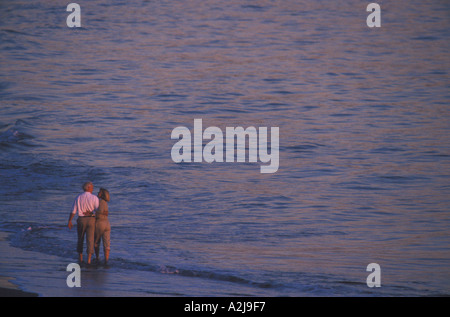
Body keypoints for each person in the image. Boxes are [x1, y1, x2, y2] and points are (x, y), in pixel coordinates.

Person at [68, 181, 99, 264]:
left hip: (81, 219)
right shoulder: (94, 197)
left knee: (80, 238)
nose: (93, 188)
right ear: (88, 188)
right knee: (90, 240)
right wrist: (92, 213)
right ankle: (89, 260)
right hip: (91, 220)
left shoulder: (78, 197)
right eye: (92, 187)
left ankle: (80, 258)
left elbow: (73, 210)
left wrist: (70, 220)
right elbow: (97, 210)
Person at [94, 188, 111, 265]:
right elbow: (106, 213)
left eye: (99, 192)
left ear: (102, 194)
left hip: (100, 223)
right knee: (107, 243)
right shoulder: (105, 203)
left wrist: (92, 214)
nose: (98, 193)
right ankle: (106, 259)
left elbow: (100, 212)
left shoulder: (100, 202)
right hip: (107, 223)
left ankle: (97, 257)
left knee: (96, 241)